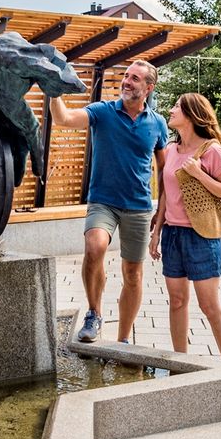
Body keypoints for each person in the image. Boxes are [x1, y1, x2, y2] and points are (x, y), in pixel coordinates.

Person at [49, 60, 167, 344]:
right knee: (94, 246)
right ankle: (94, 313)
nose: (127, 81)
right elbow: (64, 119)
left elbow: (165, 169)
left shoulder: (158, 123)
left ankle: (124, 338)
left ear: (148, 88)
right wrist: (54, 92)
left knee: (133, 274)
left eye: (135, 78)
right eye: (126, 76)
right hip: (103, 201)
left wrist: (161, 212)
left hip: (138, 206)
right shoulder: (103, 111)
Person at [152, 93, 221, 362]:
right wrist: (157, 232)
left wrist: (199, 173)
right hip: (173, 235)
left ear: (191, 115)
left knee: (209, 306)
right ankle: (181, 362)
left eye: (177, 107)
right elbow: (166, 193)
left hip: (202, 236)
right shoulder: (171, 149)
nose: (172, 110)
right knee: (176, 301)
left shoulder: (212, 151)